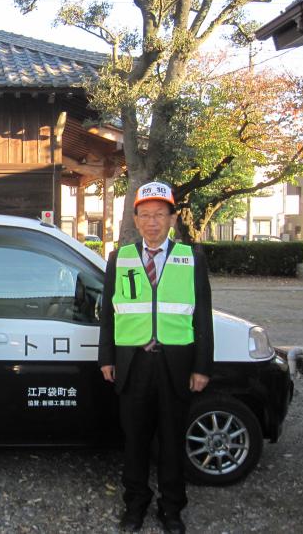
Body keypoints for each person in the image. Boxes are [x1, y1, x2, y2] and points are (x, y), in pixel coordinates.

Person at [98, 181, 213, 534]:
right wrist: (107, 358)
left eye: (160, 215)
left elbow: (202, 316)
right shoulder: (120, 259)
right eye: (145, 215)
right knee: (134, 440)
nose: (152, 222)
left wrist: (202, 367)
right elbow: (110, 314)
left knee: (172, 440)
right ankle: (135, 505)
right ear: (135, 219)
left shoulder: (191, 258)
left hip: (175, 365)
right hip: (133, 364)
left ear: (172, 219)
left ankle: (172, 508)